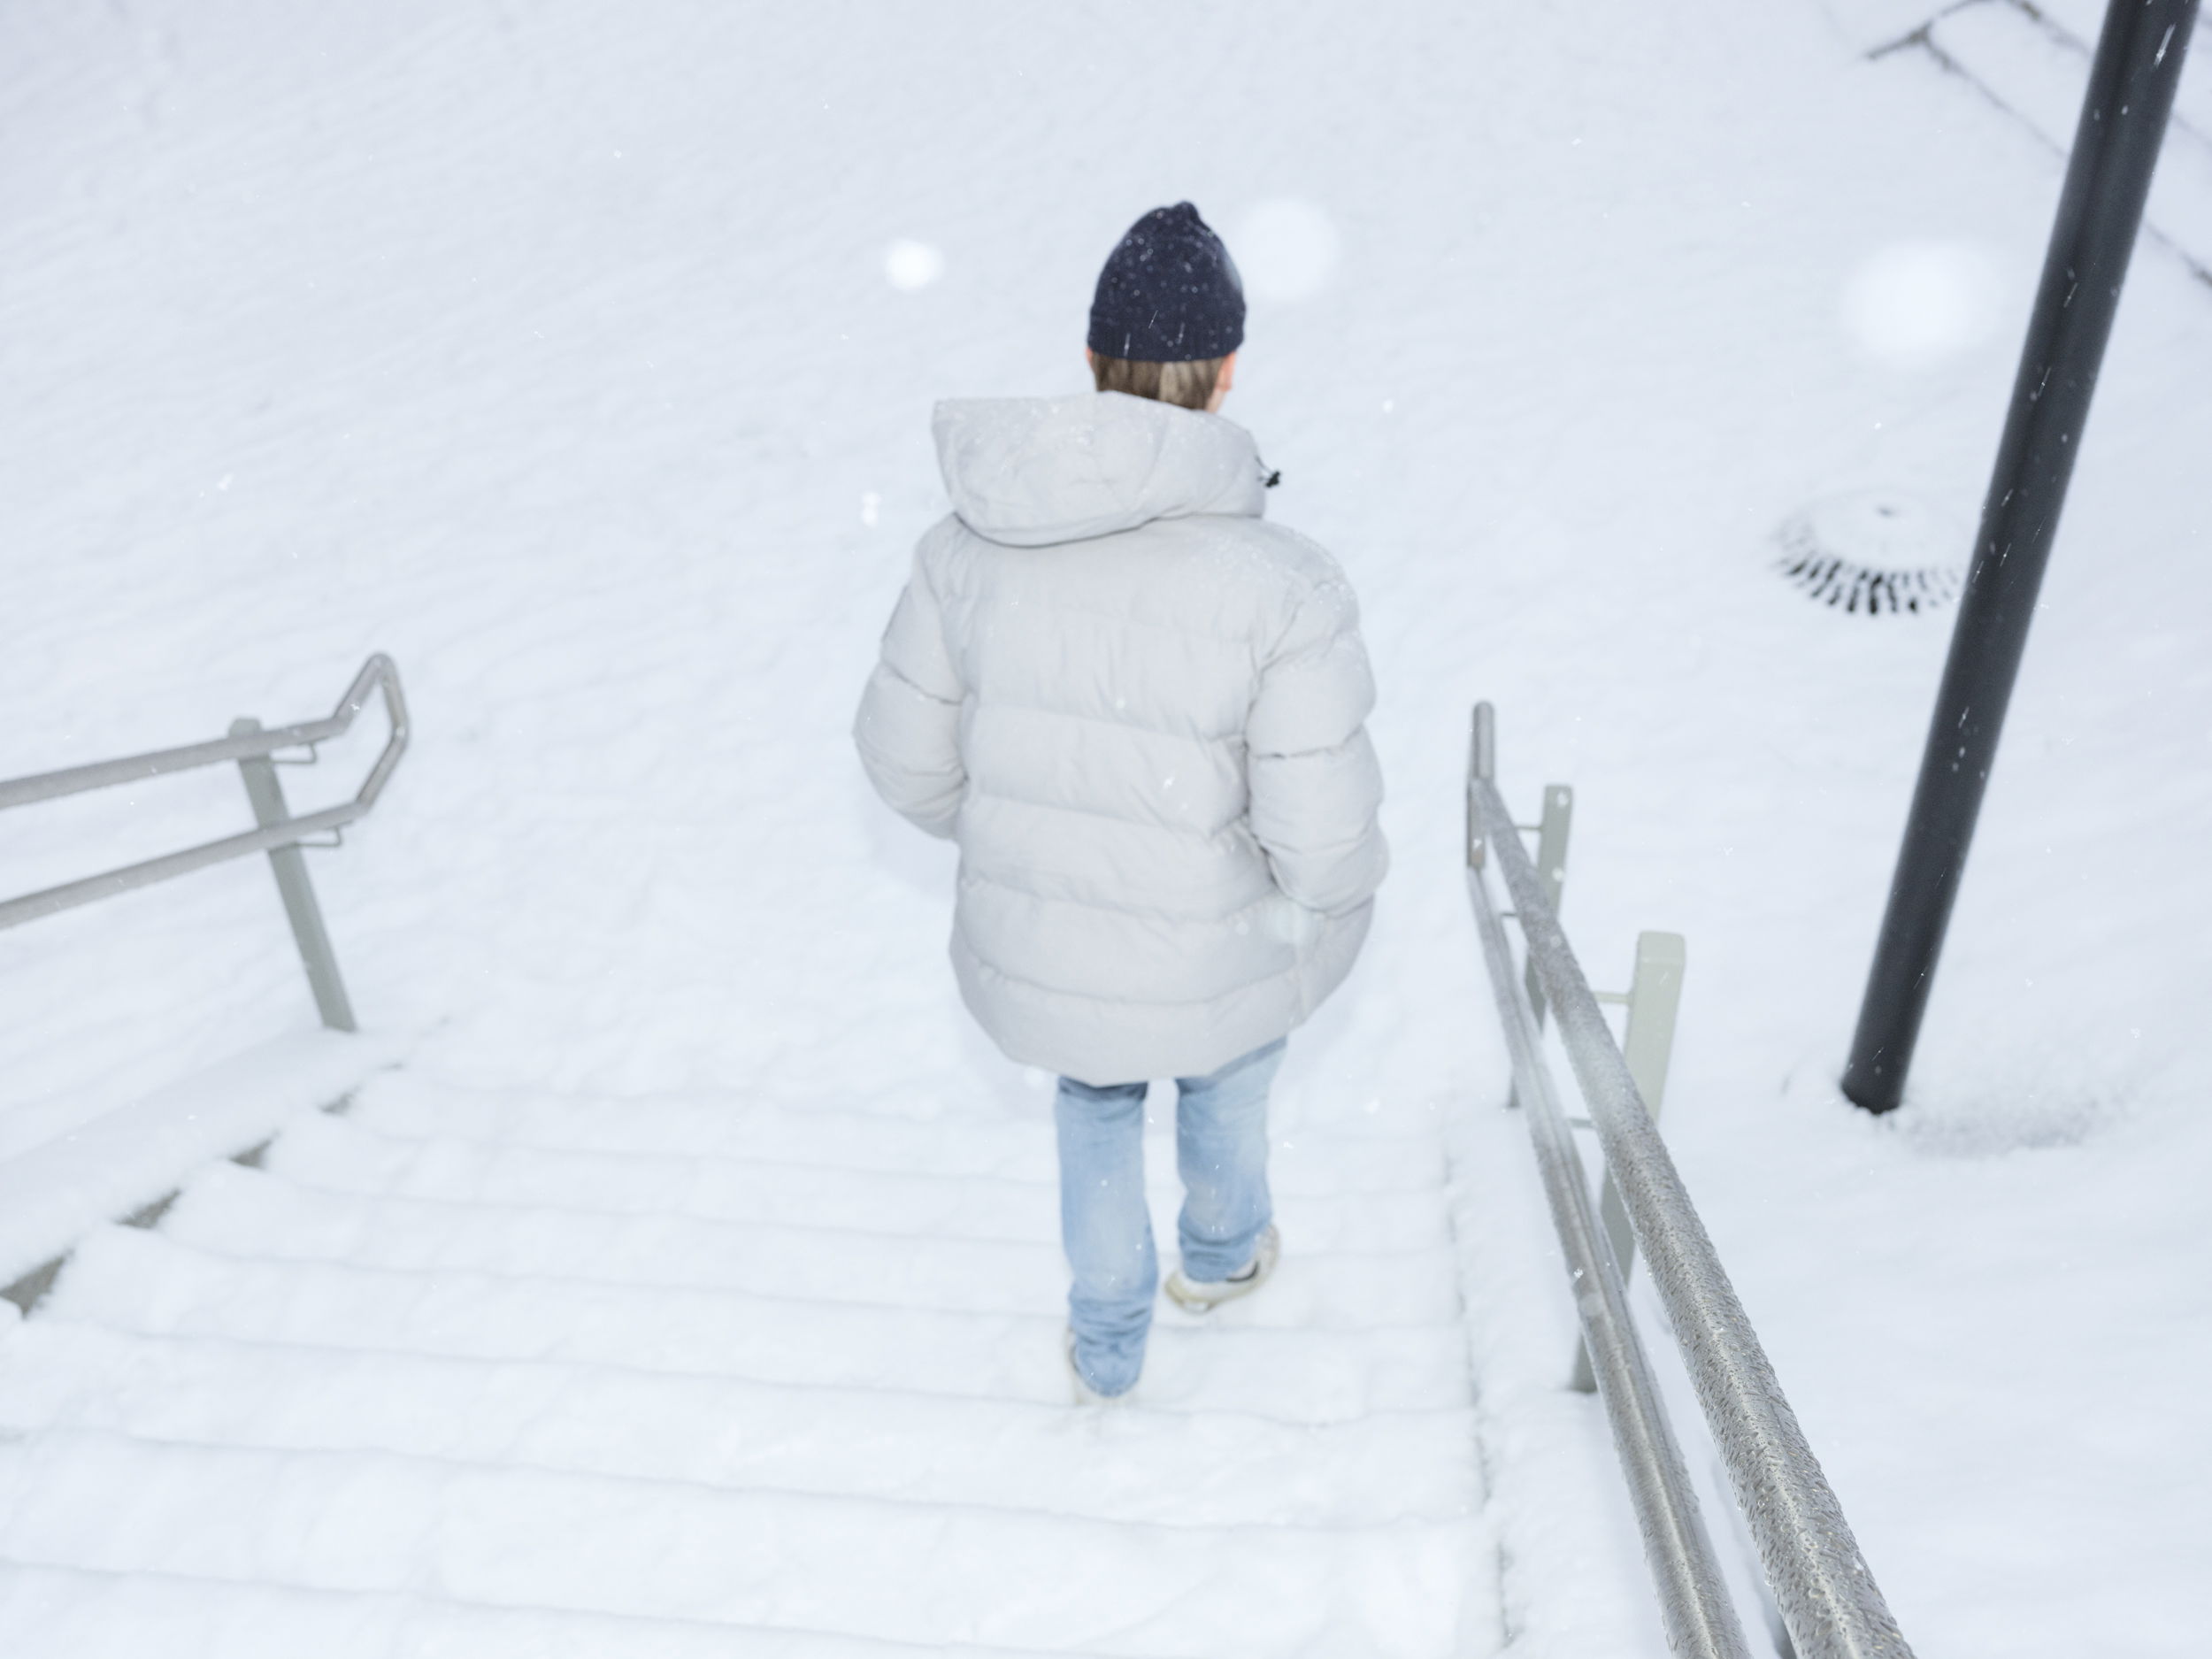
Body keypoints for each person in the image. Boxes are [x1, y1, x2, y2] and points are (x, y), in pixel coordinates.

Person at [854, 202, 1387, 1402]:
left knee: (1093, 1103)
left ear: (1094, 364)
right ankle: (1219, 1259)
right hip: (1220, 940)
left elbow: (903, 762)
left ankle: (1107, 1342)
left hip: (1051, 937)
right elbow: (1321, 835)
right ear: (1229, 372)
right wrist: (1323, 897)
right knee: (1229, 1073)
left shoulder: (968, 549)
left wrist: (1026, 839)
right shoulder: (1284, 586)